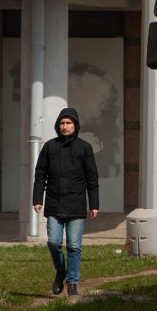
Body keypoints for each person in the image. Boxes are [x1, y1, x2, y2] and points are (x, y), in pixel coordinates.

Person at [32, 107, 100, 297]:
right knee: (54, 242)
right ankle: (60, 270)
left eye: (69, 123)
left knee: (74, 246)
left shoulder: (84, 148)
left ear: (75, 125)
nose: (65, 126)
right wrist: (38, 199)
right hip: (54, 203)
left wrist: (94, 204)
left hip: (76, 204)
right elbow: (40, 175)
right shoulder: (50, 147)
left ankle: (72, 283)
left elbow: (92, 178)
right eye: (62, 123)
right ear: (57, 125)